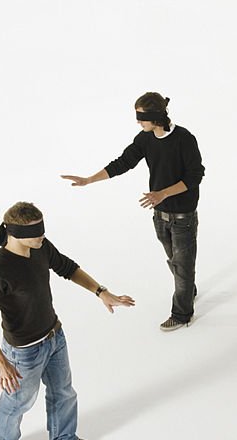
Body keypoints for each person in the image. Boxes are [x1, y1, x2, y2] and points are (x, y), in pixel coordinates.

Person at [0, 202, 135, 440]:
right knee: (19, 400)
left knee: (63, 391)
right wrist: (0, 361)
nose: (42, 236)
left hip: (54, 337)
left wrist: (101, 291)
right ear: (14, 233)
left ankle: (63, 437)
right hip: (23, 350)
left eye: (42, 229)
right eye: (36, 231)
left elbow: (67, 268)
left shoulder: (40, 248)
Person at [61, 92, 205, 332]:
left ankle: (182, 314)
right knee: (176, 262)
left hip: (183, 216)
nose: (138, 122)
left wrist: (163, 193)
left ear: (156, 118)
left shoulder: (184, 139)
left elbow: (195, 176)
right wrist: (89, 180)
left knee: (183, 266)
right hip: (159, 215)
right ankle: (187, 289)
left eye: (141, 118)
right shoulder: (145, 139)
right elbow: (123, 162)